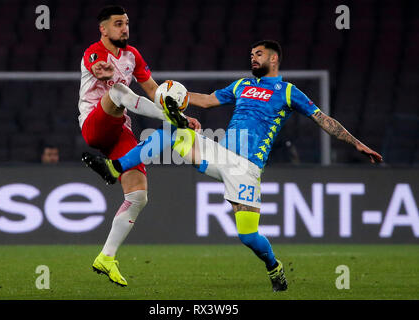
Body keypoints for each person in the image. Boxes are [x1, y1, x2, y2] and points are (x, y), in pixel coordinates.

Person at [82, 40, 383, 292]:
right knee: (172, 132)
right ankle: (115, 167)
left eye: (259, 54)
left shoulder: (288, 92)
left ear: (274, 59)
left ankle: (274, 267)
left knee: (248, 236)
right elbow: (209, 100)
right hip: (220, 153)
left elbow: (323, 119)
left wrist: (355, 142)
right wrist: (180, 100)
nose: (253, 58)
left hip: (245, 169)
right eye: (251, 54)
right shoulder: (242, 85)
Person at [78, 5, 200, 287]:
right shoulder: (94, 51)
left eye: (126, 23)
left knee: (138, 197)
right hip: (94, 125)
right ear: (104, 29)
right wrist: (101, 70)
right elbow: (95, 64)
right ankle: (172, 119)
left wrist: (175, 107)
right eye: (118, 24)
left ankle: (106, 257)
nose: (124, 28)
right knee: (118, 91)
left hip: (120, 131)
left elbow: (154, 91)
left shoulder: (133, 56)